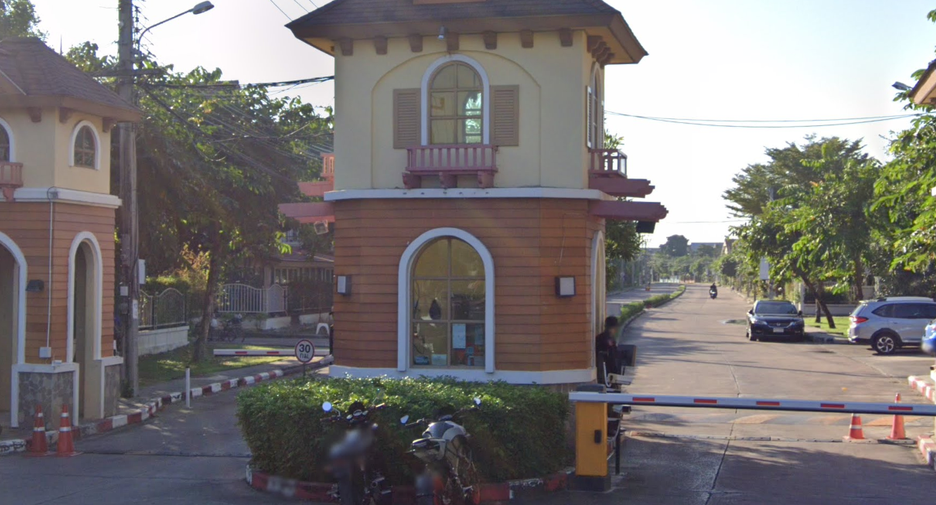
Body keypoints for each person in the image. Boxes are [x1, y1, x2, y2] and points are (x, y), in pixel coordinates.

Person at [596, 316, 620, 383]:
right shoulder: (607, 341)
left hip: (604, 373)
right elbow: (612, 358)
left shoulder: (601, 338)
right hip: (608, 373)